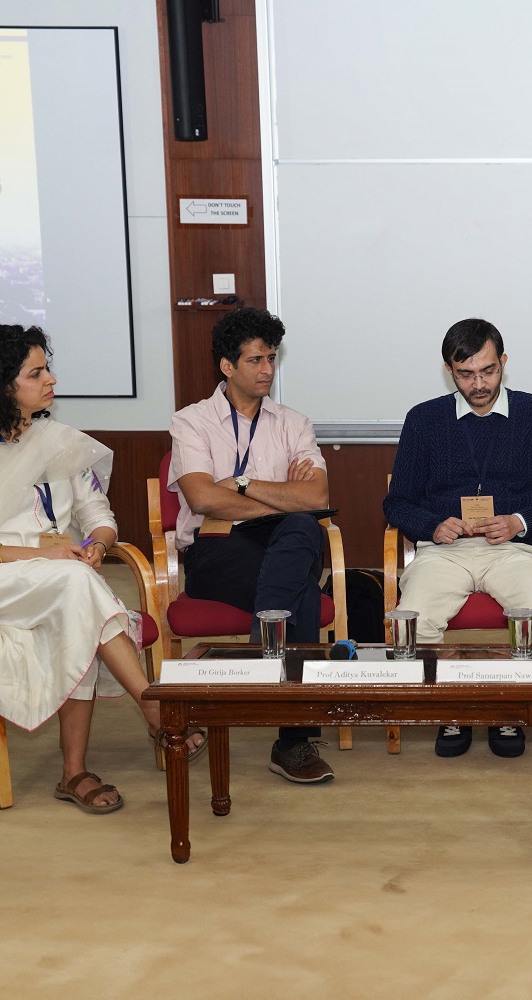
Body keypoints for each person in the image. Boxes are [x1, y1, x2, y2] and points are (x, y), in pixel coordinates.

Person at [0, 324, 203, 814]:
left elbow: (99, 517)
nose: (51, 380)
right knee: (75, 586)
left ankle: (76, 771)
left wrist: (97, 548)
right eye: (36, 373)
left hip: (61, 577)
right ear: (2, 386)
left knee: (77, 593)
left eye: (47, 368)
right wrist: (43, 555)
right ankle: (151, 707)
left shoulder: (57, 443)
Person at [384, 318, 532, 759]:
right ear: (449, 370)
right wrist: (432, 524)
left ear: (504, 362)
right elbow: (397, 503)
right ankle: (451, 709)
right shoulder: (425, 419)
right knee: (410, 625)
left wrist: (519, 521)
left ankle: (510, 709)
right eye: (466, 374)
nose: (479, 384)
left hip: (508, 549)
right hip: (443, 552)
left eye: (488, 371)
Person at [170, 307, 335, 784]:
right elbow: (201, 498)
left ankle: (263, 660)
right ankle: (292, 739)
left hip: (281, 540)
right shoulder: (192, 422)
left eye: (273, 358)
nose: (268, 370)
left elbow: (317, 496)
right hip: (214, 548)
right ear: (227, 366)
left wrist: (241, 483)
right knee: (300, 586)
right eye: (256, 360)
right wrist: (282, 497)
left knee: (305, 528)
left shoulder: (293, 423)